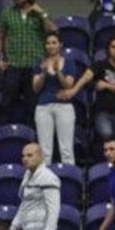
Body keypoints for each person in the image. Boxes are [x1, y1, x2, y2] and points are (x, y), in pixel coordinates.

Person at [0, 0, 56, 125]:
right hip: (14, 64)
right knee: (6, 103)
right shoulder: (7, 14)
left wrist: (41, 12)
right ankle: (2, 132)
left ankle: (32, 138)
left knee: (33, 104)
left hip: (34, 65)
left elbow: (53, 30)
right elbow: (0, 36)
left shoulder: (40, 13)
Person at [65, 37, 115, 152]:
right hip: (103, 113)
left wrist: (106, 85)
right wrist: (73, 90)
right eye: (113, 47)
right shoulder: (99, 65)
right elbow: (85, 78)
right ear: (108, 49)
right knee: (109, 139)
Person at [32, 32, 78, 165]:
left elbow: (69, 85)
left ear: (60, 45)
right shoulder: (39, 64)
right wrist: (44, 73)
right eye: (48, 43)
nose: (51, 46)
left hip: (64, 106)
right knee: (45, 150)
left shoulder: (69, 62)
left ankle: (70, 180)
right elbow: (35, 88)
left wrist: (58, 72)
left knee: (66, 149)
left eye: (54, 43)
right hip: (43, 107)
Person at [12, 142, 61, 230]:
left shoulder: (48, 177)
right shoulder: (27, 176)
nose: (25, 159)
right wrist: (13, 227)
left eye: (30, 155)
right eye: (23, 156)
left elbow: (54, 208)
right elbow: (25, 204)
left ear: (40, 157)